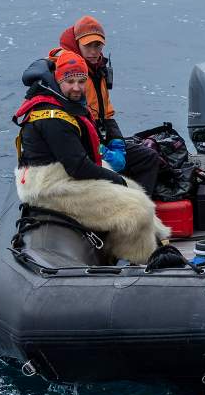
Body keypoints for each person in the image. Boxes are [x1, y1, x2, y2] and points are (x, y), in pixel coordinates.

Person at [13, 50, 168, 264]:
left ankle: (157, 240)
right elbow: (78, 167)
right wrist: (118, 180)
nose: (76, 87)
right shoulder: (53, 118)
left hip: (57, 171)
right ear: (59, 80)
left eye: (81, 81)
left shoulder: (60, 101)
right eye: (70, 81)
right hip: (48, 186)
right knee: (137, 209)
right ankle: (137, 260)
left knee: (133, 189)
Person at [22, 15, 160, 194]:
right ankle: (127, 206)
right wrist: (101, 151)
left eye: (98, 46)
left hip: (98, 135)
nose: (94, 51)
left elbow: (107, 115)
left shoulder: (98, 70)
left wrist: (117, 143)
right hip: (80, 142)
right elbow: (70, 128)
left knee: (148, 158)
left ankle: (140, 206)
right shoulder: (67, 71)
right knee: (115, 174)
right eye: (88, 46)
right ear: (77, 43)